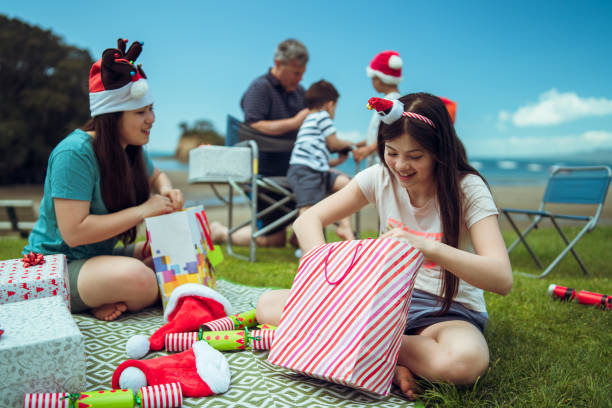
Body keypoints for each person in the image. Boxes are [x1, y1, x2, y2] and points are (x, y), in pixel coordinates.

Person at [255, 93, 512, 399]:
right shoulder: (379, 178)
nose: (401, 165)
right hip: (379, 302)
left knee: (465, 361)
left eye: (415, 156)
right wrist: (322, 279)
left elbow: (501, 278)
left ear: (439, 152)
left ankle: (363, 349)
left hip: (445, 312)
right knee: (267, 306)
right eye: (392, 152)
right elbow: (307, 221)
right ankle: (383, 359)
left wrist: (427, 248)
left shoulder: (466, 188)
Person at [23, 39, 184, 322]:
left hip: (98, 257)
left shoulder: (130, 150)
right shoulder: (74, 153)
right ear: (111, 116)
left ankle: (104, 292)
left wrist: (168, 191)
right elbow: (74, 233)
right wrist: (144, 210)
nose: (152, 119)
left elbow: (158, 175)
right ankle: (94, 297)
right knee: (141, 278)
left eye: (150, 109)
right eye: (140, 112)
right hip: (56, 265)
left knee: (170, 249)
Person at [211, 38, 310, 248]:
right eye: (295, 72)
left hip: (297, 170)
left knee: (326, 181)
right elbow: (254, 127)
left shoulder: (300, 92)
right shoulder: (260, 87)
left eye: (302, 73)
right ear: (278, 64)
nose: (300, 78)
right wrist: (294, 122)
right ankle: (220, 233)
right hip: (264, 172)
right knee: (274, 239)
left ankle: (303, 233)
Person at [287, 80, 356, 243]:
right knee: (308, 208)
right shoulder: (321, 116)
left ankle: (344, 225)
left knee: (346, 184)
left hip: (316, 170)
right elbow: (334, 143)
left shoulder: (310, 120)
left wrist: (338, 161)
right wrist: (348, 144)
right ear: (330, 105)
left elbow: (319, 161)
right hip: (305, 171)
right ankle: (307, 247)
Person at [353, 50, 403, 167]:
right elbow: (378, 132)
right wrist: (361, 144)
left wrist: (368, 149)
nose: (372, 82)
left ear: (380, 78)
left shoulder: (390, 103)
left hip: (381, 162)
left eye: (372, 78)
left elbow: (390, 132)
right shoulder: (394, 100)